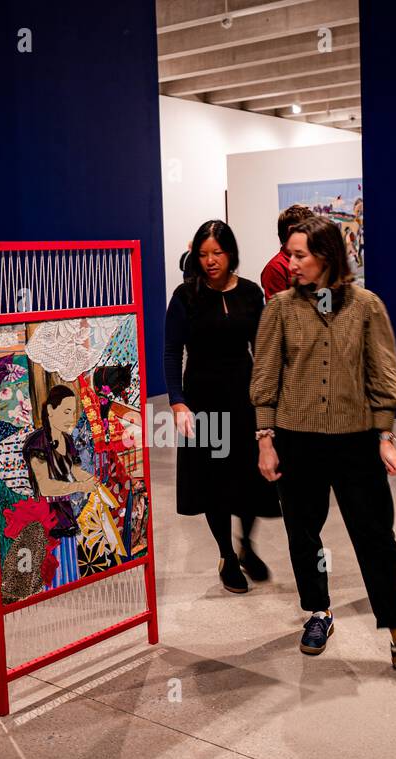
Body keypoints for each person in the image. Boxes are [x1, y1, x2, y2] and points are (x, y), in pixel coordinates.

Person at [251, 216, 396, 661]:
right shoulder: (279, 309)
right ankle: (318, 612)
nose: (291, 262)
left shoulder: (366, 307)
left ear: (326, 256)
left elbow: (383, 373)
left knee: (377, 535)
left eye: (300, 254)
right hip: (297, 440)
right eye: (290, 253)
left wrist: (385, 434)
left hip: (355, 439)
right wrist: (266, 440)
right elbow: (265, 377)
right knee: (305, 534)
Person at [165, 220, 281, 593]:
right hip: (203, 402)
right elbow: (171, 352)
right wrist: (177, 402)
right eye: (203, 254)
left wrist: (271, 396)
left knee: (248, 478)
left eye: (217, 253)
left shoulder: (250, 293)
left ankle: (246, 544)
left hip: (244, 397)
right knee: (214, 481)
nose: (210, 261)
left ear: (231, 253)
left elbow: (262, 349)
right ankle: (226, 555)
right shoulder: (185, 296)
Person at [21, 385, 101, 588]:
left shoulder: (67, 439)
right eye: (66, 411)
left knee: (68, 565)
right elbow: (45, 486)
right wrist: (79, 487)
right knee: (50, 569)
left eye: (73, 412)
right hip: (44, 517)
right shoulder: (37, 444)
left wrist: (91, 480)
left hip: (64, 512)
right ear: (50, 410)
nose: (71, 417)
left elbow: (75, 470)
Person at [261, 204, 313, 300]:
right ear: (291, 231)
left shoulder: (315, 260)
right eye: (309, 230)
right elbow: (279, 313)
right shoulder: (275, 268)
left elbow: (326, 309)